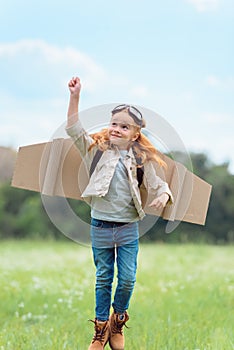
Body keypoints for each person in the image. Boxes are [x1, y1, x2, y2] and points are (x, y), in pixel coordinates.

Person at [66, 77, 173, 350]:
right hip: (100, 224)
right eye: (114, 123)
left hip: (127, 227)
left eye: (124, 126)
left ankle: (118, 321)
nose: (116, 129)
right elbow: (73, 129)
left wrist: (162, 195)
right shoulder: (96, 151)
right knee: (104, 276)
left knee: (127, 278)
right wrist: (75, 96)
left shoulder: (141, 160)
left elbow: (158, 184)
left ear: (135, 134)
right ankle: (100, 331)